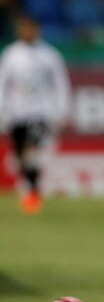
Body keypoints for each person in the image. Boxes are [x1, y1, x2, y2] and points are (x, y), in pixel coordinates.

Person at [0, 14, 71, 214]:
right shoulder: (11, 54)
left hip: (41, 111)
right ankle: (29, 187)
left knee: (32, 151)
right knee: (20, 156)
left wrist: (63, 109)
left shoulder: (49, 55)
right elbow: (2, 83)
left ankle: (32, 193)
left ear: (37, 30)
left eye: (31, 28)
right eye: (24, 28)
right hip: (16, 112)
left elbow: (60, 83)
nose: (27, 32)